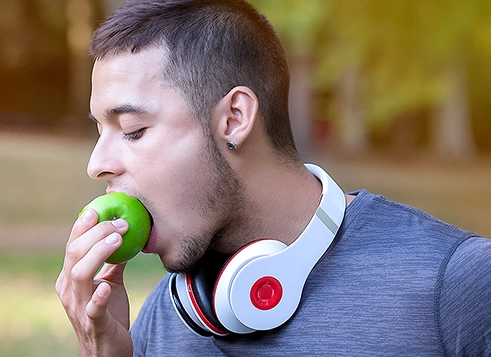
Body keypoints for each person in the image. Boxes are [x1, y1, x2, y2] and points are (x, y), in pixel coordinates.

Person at [54, 0, 491, 356]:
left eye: (133, 130)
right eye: (100, 131)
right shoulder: (163, 319)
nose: (97, 164)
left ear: (234, 119)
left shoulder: (460, 285)